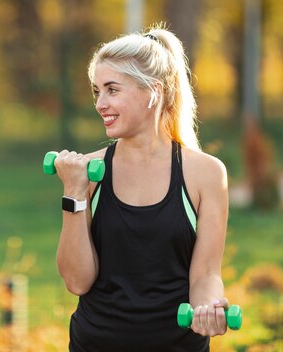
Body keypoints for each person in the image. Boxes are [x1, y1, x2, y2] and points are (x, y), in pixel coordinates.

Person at [53, 24, 230, 351]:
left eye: (112, 89)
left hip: (177, 345)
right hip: (95, 343)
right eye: (97, 91)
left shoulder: (205, 173)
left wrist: (209, 308)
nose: (100, 104)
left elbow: (205, 274)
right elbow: (76, 281)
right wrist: (74, 194)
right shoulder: (87, 173)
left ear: (154, 91)